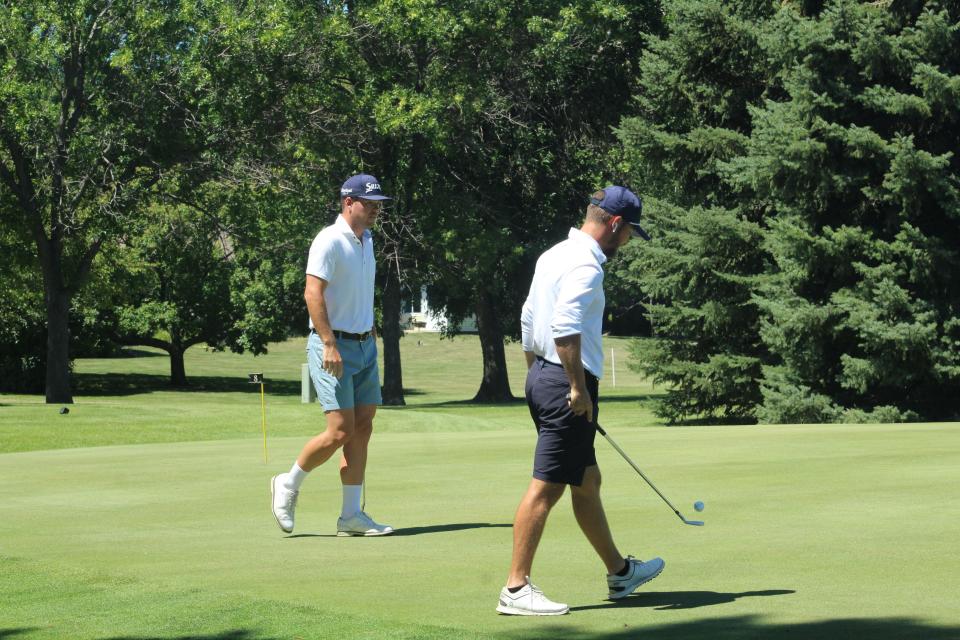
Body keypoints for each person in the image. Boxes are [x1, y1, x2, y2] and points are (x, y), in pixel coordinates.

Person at [496, 186, 664, 616]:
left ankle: (620, 571)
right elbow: (565, 325)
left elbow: (528, 317)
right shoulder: (587, 265)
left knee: (586, 480)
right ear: (614, 223)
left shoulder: (553, 254)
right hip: (566, 384)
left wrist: (538, 373)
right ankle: (515, 589)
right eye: (629, 233)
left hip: (544, 376)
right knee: (546, 486)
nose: (628, 242)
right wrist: (574, 387)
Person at [270, 173, 394, 537]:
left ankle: (351, 515)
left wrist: (368, 327)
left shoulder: (367, 240)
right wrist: (328, 343)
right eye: (369, 204)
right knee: (339, 430)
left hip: (364, 344)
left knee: (363, 426)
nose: (375, 211)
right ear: (347, 203)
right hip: (332, 346)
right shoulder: (328, 240)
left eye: (378, 206)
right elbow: (313, 293)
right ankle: (288, 483)